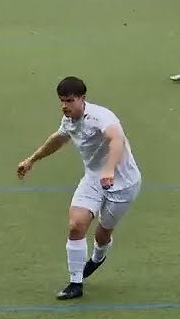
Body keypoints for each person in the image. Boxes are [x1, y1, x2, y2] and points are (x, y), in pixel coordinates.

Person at [16, 76, 142, 301]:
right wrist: (31, 160)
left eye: (70, 100)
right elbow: (57, 139)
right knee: (76, 225)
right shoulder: (69, 121)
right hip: (93, 179)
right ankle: (76, 282)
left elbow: (117, 139)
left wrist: (109, 170)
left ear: (82, 99)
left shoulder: (101, 117)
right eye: (62, 101)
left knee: (103, 234)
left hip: (123, 183)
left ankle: (98, 257)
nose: (65, 105)